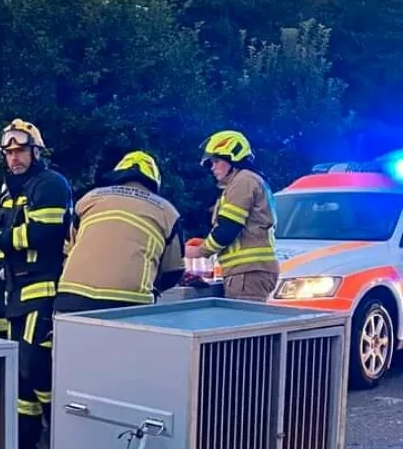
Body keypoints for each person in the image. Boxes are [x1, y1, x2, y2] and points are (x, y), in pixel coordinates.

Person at [0, 120, 72, 449]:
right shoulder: (12, 192)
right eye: (9, 153)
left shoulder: (50, 184)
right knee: (21, 376)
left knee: (36, 362)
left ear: (35, 151)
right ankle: (26, 442)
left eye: (20, 150)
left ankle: (61, 430)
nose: (14, 158)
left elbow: (42, 234)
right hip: (16, 291)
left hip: (44, 288)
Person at [56, 150, 185, 314]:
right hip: (128, 302)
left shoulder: (89, 199)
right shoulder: (167, 212)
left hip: (71, 296)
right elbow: (173, 271)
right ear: (154, 182)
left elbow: (69, 247)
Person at [195, 131, 279, 301]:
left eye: (216, 161)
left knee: (246, 325)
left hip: (247, 272)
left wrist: (199, 251)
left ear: (233, 157)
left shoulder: (243, 182)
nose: (212, 167)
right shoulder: (247, 181)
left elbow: (227, 230)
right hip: (248, 271)